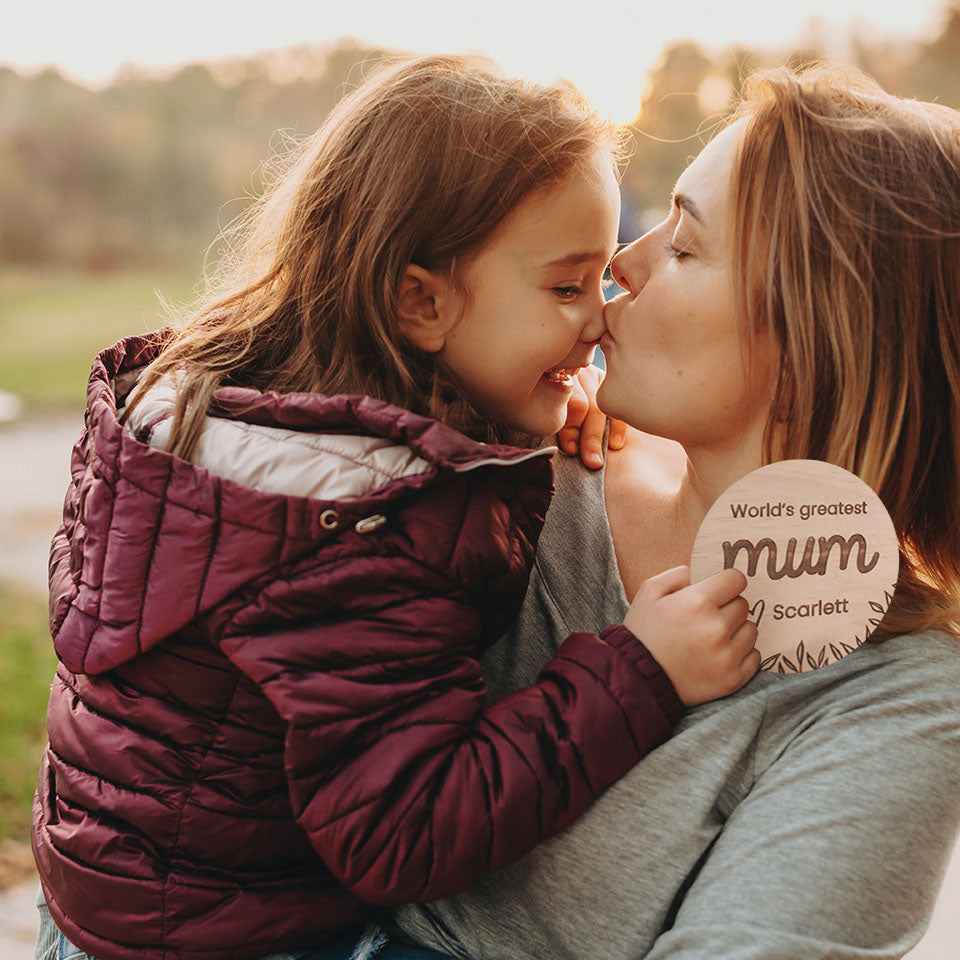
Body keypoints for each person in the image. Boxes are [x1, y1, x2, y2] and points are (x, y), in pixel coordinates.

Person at [31, 55, 758, 960]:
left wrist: (523, 409)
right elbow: (404, 833)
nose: (600, 319)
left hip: (102, 910)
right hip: (240, 939)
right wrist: (637, 675)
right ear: (422, 301)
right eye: (568, 287)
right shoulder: (352, 532)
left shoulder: (219, 425)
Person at [390, 62, 960, 959]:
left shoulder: (893, 696)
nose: (623, 263)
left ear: (822, 337)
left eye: (686, 247)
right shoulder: (504, 469)